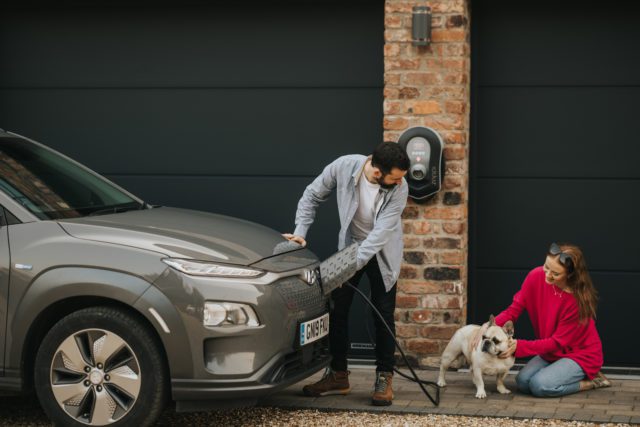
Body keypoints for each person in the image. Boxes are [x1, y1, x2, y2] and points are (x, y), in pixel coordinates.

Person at [284, 141, 409, 406]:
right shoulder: (343, 167)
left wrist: (346, 266)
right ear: (377, 172)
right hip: (350, 247)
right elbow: (311, 194)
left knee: (383, 315)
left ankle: (384, 377)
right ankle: (338, 375)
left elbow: (379, 236)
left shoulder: (400, 188)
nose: (400, 183)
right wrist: (300, 232)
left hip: (382, 251)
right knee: (336, 310)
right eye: (395, 178)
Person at [487, 242, 611, 397]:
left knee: (540, 386)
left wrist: (518, 346)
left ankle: (591, 381)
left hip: (580, 354)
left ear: (570, 275)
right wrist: (485, 329)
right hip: (551, 352)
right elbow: (514, 309)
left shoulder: (577, 303)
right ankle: (563, 373)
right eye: (546, 267)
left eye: (555, 273)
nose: (547, 275)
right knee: (523, 382)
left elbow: (557, 342)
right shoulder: (535, 276)